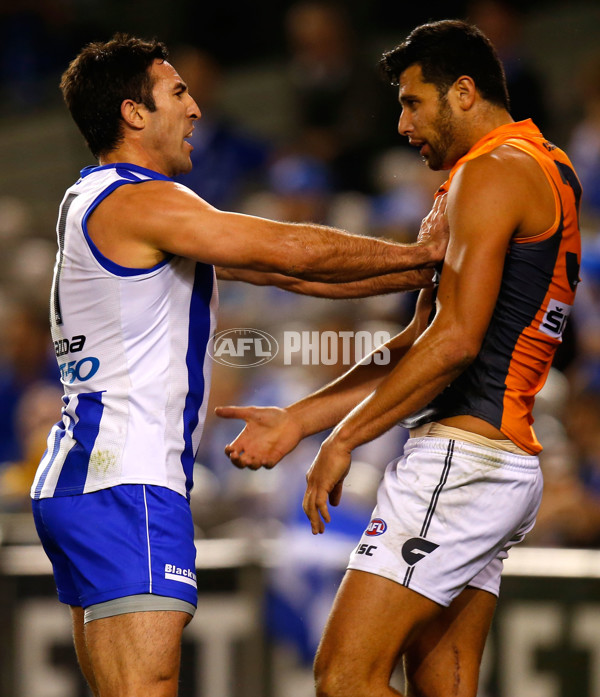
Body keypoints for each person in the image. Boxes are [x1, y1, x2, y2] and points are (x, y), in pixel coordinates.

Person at [29, 33, 448, 697]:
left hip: (88, 475)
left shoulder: (101, 202)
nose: (196, 109)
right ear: (134, 114)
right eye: (177, 93)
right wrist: (425, 255)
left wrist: (419, 282)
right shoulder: (139, 198)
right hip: (127, 481)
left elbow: (291, 276)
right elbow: (288, 250)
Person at [218, 20, 582, 697]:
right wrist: (301, 418)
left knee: (344, 677)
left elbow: (456, 341)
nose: (402, 123)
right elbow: (420, 337)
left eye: (414, 103)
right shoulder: (537, 166)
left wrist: (345, 436)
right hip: (496, 461)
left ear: (464, 92)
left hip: (462, 461)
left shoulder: (495, 171)